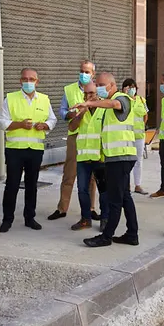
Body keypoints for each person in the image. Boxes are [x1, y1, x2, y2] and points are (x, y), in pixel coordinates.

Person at [75, 72, 138, 248]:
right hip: (115, 157)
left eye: (101, 85)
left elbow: (115, 104)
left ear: (112, 85)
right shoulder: (108, 105)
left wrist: (90, 103)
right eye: (97, 84)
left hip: (120, 157)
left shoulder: (122, 98)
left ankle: (106, 236)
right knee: (125, 197)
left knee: (115, 200)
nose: (98, 88)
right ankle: (132, 234)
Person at [0, 68, 57, 232]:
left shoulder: (44, 99)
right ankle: (7, 220)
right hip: (15, 150)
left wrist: (45, 125)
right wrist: (19, 124)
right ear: (20, 81)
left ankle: (29, 218)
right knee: (12, 185)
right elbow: (2, 122)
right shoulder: (11, 98)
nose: (28, 82)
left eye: (32, 79)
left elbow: (53, 119)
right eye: (25, 79)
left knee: (32, 185)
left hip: (35, 149)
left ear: (37, 82)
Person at [49, 61, 98, 221]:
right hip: (75, 135)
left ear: (93, 74)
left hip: (93, 137)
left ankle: (91, 208)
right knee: (69, 173)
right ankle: (62, 208)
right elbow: (62, 112)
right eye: (82, 71)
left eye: (87, 72)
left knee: (92, 176)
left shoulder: (98, 89)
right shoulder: (69, 90)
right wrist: (71, 114)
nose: (84, 74)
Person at [70, 82, 109, 231]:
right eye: (85, 94)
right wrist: (81, 113)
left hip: (100, 157)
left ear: (97, 94)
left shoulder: (105, 109)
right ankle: (85, 219)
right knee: (82, 189)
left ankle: (105, 218)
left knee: (103, 190)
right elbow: (72, 127)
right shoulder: (80, 109)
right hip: (83, 157)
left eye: (91, 93)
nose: (88, 96)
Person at [123, 78, 149, 195]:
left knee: (138, 160)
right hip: (126, 136)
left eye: (133, 87)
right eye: (128, 87)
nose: (131, 89)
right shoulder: (122, 100)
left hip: (139, 136)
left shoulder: (141, 100)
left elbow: (145, 115)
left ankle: (138, 185)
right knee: (126, 160)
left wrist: (142, 126)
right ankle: (126, 184)